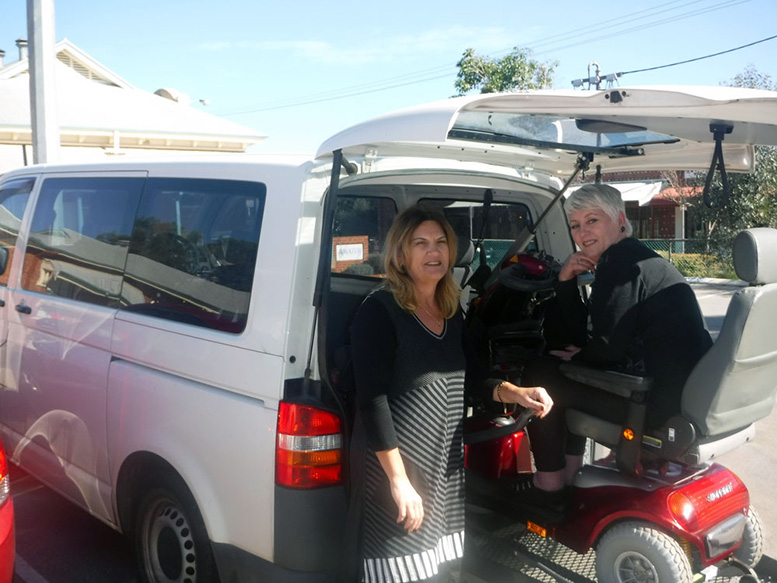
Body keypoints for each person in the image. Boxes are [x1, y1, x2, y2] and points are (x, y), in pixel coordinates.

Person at [345, 206, 553, 583]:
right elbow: (372, 400)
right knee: (400, 570)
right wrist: (398, 480)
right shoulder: (380, 311)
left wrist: (516, 393)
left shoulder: (449, 309)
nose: (433, 251)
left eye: (440, 242)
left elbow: (472, 380)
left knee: (442, 570)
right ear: (401, 253)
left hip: (443, 469)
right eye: (420, 243)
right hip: (399, 470)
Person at [519, 183, 713, 503]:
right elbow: (593, 338)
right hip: (674, 396)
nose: (582, 233)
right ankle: (569, 476)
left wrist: (579, 356)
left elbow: (605, 348)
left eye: (592, 221)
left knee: (541, 371)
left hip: (649, 402)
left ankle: (549, 485)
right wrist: (565, 281)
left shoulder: (618, 262)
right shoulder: (641, 259)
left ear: (620, 220)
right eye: (575, 225)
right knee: (562, 367)